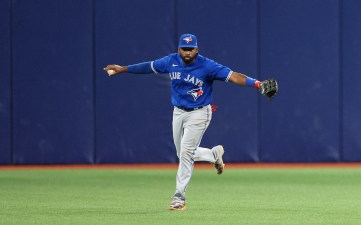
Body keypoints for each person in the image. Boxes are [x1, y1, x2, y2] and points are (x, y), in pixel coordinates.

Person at [104, 33, 277, 211]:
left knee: (186, 153)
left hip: (199, 113)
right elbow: (148, 66)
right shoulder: (170, 61)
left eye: (190, 49)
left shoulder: (207, 65)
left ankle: (179, 199)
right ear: (178, 49)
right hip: (178, 112)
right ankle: (213, 155)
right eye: (184, 49)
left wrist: (256, 84)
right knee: (182, 153)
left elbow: (233, 76)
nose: (187, 52)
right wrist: (122, 68)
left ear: (197, 49)